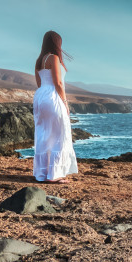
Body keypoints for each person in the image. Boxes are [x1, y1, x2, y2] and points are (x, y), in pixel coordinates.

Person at [33, 30, 78, 183]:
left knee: (44, 134)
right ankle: (55, 174)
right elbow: (58, 83)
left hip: (41, 96)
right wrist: (65, 103)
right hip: (53, 96)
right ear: (57, 43)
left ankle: (42, 173)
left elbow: (39, 83)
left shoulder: (39, 60)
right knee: (60, 134)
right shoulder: (54, 58)